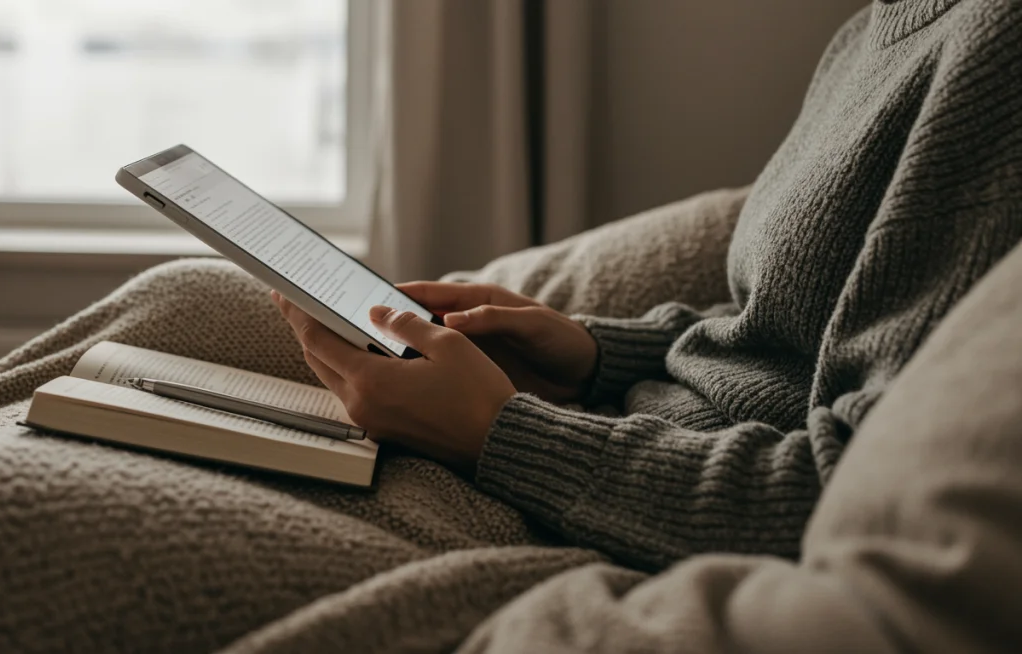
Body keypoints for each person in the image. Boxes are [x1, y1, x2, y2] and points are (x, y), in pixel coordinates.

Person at [274, 0, 1022, 571]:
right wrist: (596, 352)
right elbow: (786, 328)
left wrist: (503, 435)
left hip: (632, 503)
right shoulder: (873, 32)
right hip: (606, 430)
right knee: (187, 301)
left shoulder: (998, 55)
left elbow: (870, 503)